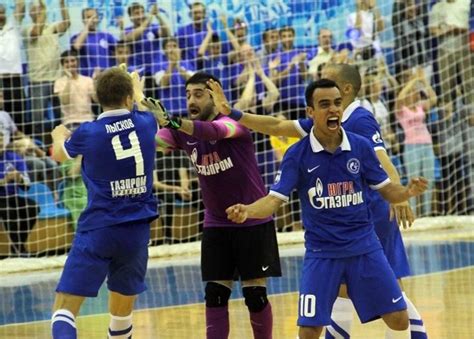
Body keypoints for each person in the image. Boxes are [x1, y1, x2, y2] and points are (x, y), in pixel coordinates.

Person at [217, 63, 428, 339]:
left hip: (372, 219)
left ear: (346, 92)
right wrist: (234, 114)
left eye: (334, 97)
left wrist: (402, 195)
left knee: (394, 307)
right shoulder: (305, 144)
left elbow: (384, 166)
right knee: (326, 310)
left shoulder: (359, 122)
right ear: (311, 111)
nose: (331, 107)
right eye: (324, 102)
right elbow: (277, 128)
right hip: (325, 247)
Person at [145, 72, 281, 339]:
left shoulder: (232, 124)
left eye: (198, 94)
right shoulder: (183, 132)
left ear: (213, 96)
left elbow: (213, 131)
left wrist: (173, 122)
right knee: (215, 295)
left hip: (252, 220)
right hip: (216, 222)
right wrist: (139, 113)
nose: (191, 100)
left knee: (255, 295)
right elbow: (155, 143)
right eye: (187, 96)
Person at [49, 67, 159, 338]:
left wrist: (58, 135)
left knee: (63, 311)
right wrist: (136, 88)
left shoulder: (89, 132)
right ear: (128, 97)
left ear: (97, 98)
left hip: (99, 228)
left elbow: (58, 155)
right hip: (136, 232)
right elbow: (145, 107)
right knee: (121, 318)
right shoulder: (147, 123)